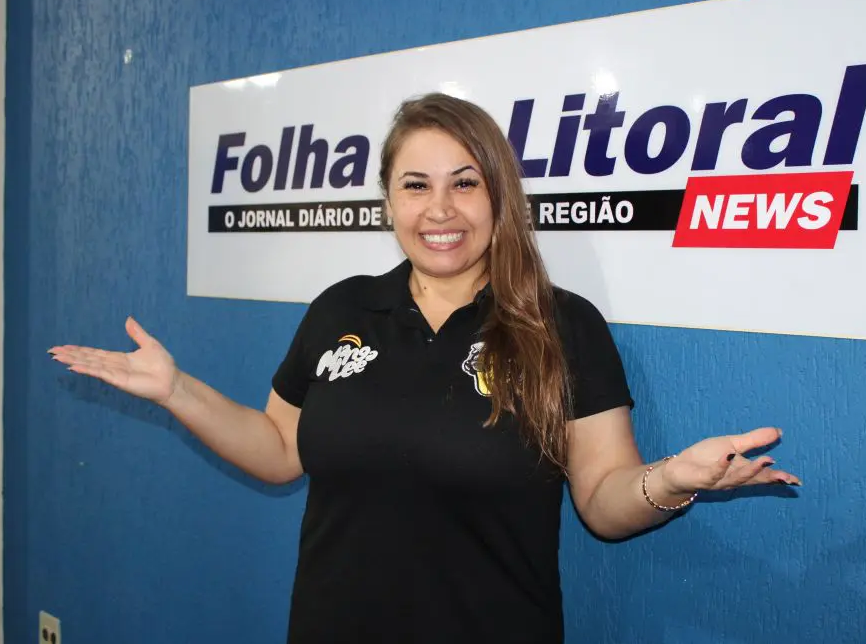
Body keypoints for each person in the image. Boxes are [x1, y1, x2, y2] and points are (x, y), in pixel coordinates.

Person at [49, 92, 801, 644]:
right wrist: (177, 389)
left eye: (465, 182)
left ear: (498, 197)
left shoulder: (561, 324)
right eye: (417, 185)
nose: (440, 208)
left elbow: (604, 501)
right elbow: (280, 449)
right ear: (388, 200)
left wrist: (671, 481)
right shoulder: (342, 309)